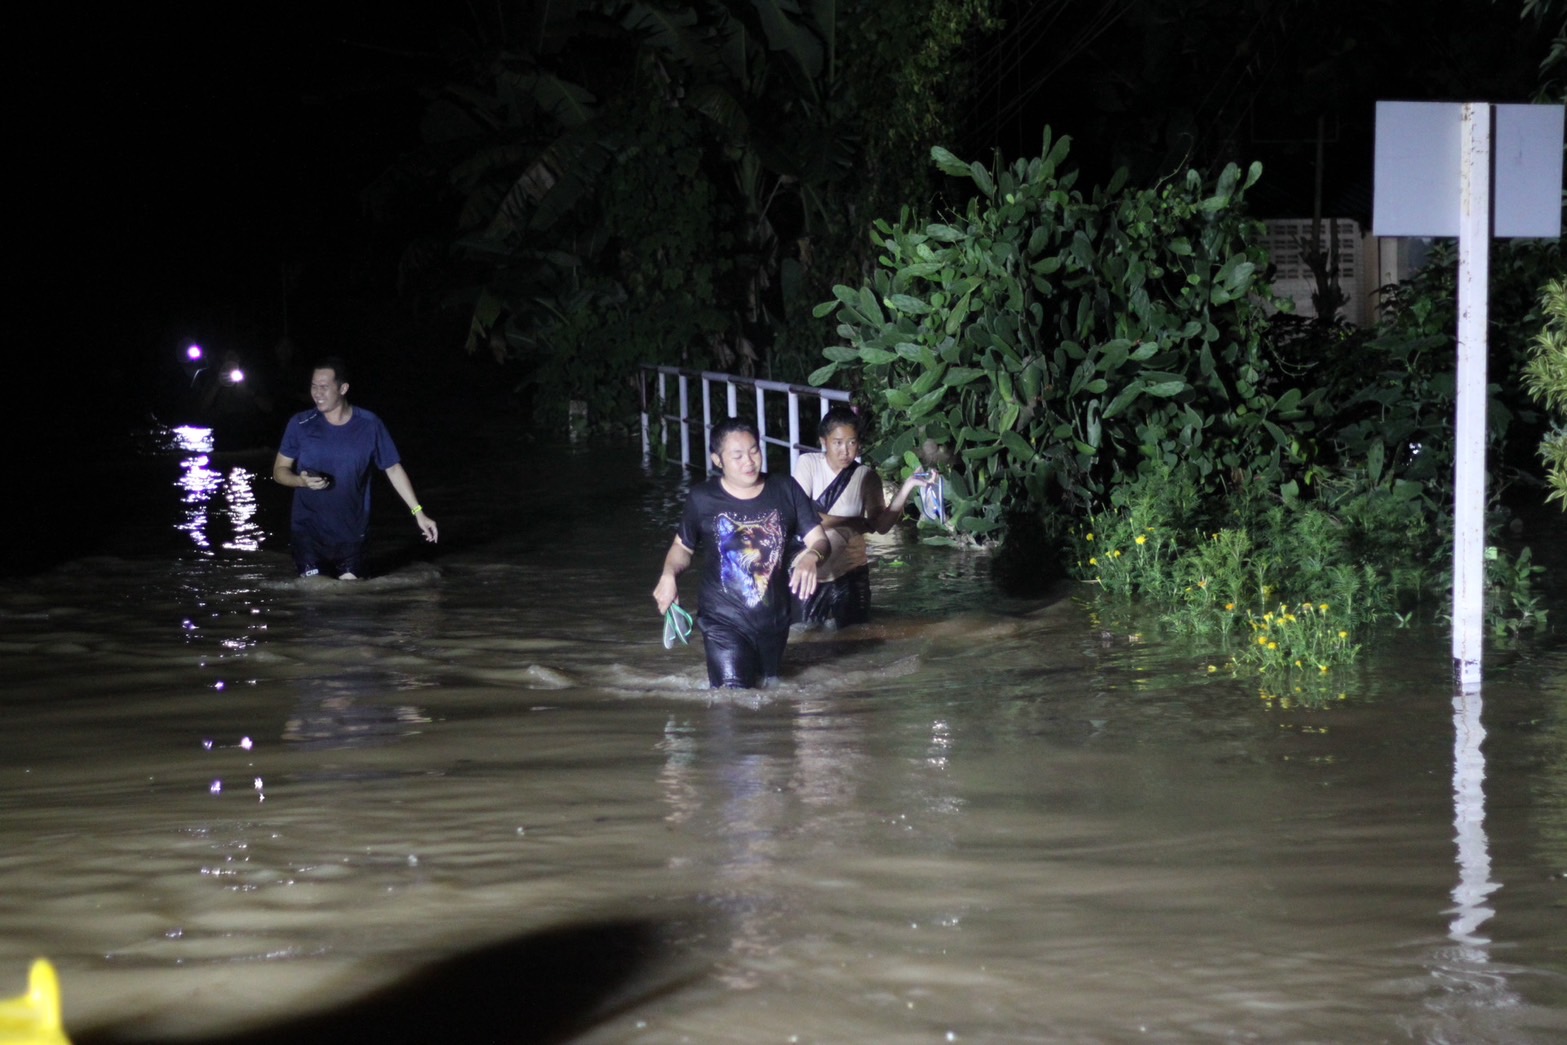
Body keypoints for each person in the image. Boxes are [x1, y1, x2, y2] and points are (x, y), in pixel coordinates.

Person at [652, 418, 831, 688]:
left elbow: (820, 540)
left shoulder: (786, 489)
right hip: (722, 619)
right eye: (737, 456)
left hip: (774, 619)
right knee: (733, 697)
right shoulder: (702, 498)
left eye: (754, 451)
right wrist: (668, 574)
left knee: (769, 693)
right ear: (717, 460)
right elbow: (682, 546)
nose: (749, 461)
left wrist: (811, 556)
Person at [271, 357, 437, 579]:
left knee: (351, 603)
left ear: (343, 388)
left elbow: (393, 469)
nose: (317, 393)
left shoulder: (370, 425)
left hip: (352, 533)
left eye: (324, 387)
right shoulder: (300, 424)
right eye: (313, 386)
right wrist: (300, 481)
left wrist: (419, 513)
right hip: (308, 533)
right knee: (314, 598)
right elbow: (279, 471)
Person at [790, 406, 935, 629]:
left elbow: (881, 526)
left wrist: (907, 488)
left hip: (851, 572)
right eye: (837, 442)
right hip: (813, 572)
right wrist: (851, 523)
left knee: (857, 642)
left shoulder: (867, 476)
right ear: (823, 441)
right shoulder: (808, 464)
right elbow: (802, 515)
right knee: (805, 638)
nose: (845, 451)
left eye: (852, 443)